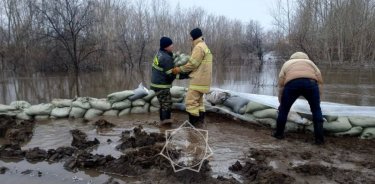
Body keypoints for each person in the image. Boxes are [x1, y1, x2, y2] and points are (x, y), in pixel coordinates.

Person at [273, 52, 325, 144]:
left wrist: (281, 100)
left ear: (291, 58)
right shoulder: (311, 63)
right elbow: (320, 81)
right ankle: (319, 139)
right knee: (316, 110)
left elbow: (281, 84)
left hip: (292, 84)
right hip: (311, 83)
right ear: (306, 57)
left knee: (284, 110)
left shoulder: (287, 64)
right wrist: (319, 99)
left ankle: (279, 134)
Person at [172, 28, 213, 127]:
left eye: (191, 36)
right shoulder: (204, 46)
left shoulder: (198, 47)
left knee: (190, 102)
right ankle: (200, 123)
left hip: (198, 80)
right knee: (199, 102)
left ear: (194, 36)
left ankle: (193, 125)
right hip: (204, 80)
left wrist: (179, 69)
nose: (190, 38)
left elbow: (192, 64)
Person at [150, 36, 189, 125]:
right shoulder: (166, 59)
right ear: (165, 46)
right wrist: (186, 75)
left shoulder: (160, 53)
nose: (172, 46)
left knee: (164, 103)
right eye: (170, 45)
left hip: (156, 83)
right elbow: (171, 75)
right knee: (166, 104)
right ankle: (165, 124)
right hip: (161, 85)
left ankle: (163, 122)